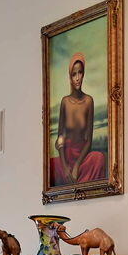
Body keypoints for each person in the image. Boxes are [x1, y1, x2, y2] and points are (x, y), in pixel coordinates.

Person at [50, 54, 106, 186]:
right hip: (66, 158)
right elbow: (60, 139)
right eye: (74, 74)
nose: (77, 78)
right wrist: (65, 167)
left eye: (80, 73)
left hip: (82, 157)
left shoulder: (88, 101)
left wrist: (76, 166)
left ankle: (82, 186)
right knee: (50, 165)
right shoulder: (65, 102)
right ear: (70, 76)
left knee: (99, 158)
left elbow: (89, 141)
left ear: (83, 74)